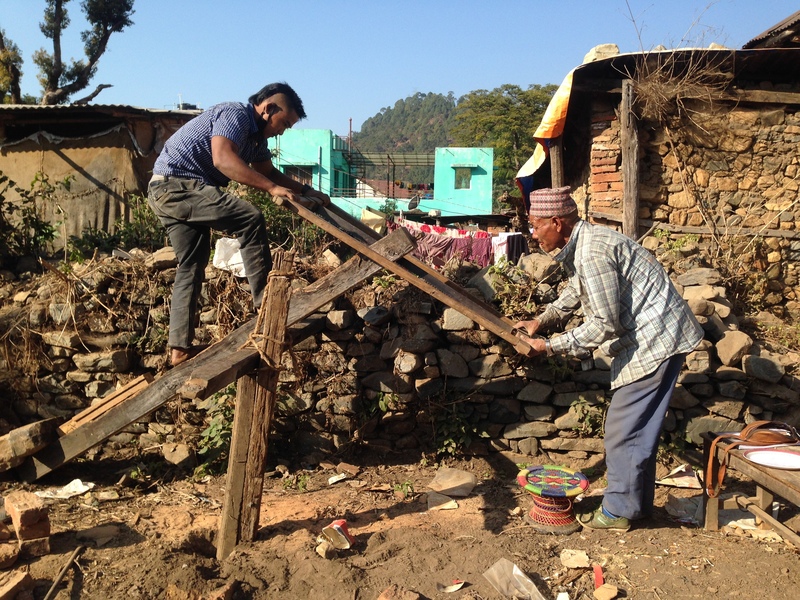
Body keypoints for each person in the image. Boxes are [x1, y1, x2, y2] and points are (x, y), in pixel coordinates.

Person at [514, 186, 703, 532]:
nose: (533, 234)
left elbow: (602, 323)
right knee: (638, 430)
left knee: (622, 429)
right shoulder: (585, 243)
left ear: (557, 222)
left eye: (535, 225)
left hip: (655, 338)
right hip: (659, 334)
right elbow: (578, 289)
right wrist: (543, 319)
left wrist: (549, 346)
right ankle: (636, 507)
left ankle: (617, 511)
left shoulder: (592, 253)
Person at [148, 82, 330, 367]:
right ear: (269, 109)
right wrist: (270, 188)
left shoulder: (256, 141)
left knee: (191, 266)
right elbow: (223, 159)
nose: (284, 130)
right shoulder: (235, 115)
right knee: (250, 218)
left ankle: (179, 350)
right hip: (176, 186)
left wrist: (306, 192)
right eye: (284, 122)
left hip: (171, 191)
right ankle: (267, 305)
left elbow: (268, 172)